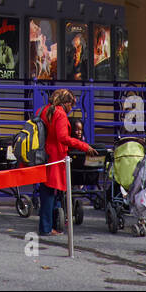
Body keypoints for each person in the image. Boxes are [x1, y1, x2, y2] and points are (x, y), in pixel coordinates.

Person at [37, 88, 97, 237]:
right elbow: (63, 137)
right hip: (55, 156)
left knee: (46, 191)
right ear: (66, 103)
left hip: (44, 154)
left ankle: (48, 225)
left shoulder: (44, 110)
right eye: (71, 104)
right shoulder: (60, 114)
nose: (72, 108)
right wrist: (84, 146)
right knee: (50, 192)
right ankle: (46, 228)